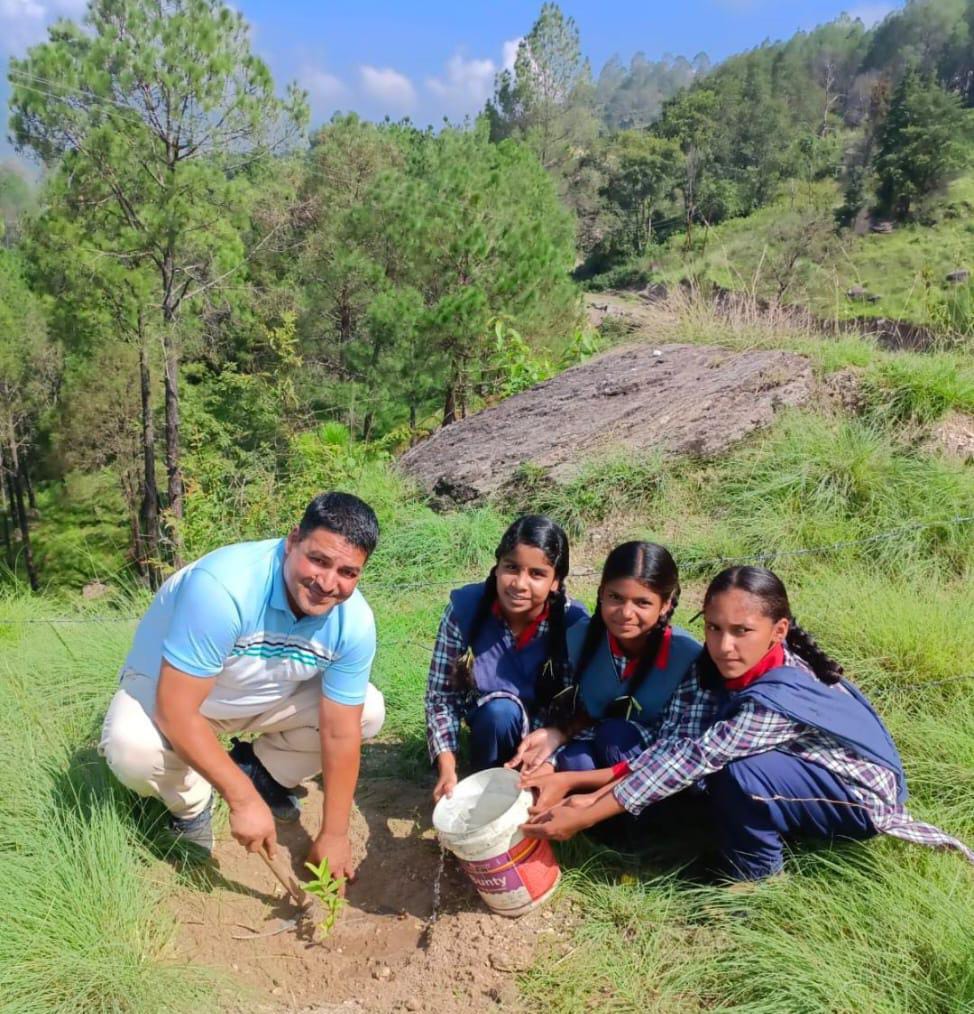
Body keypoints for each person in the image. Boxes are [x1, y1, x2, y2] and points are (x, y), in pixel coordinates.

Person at [520, 565, 974, 881]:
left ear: (778, 632)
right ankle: (710, 837)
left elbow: (698, 758)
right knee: (701, 774)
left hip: (857, 793)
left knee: (741, 774)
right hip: (790, 773)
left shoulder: (776, 695)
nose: (724, 645)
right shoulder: (712, 670)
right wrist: (574, 783)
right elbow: (672, 747)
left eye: (742, 631)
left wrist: (582, 815)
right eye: (714, 628)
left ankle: (757, 877)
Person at [99, 491, 385, 883]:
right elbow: (175, 710)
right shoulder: (223, 588)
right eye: (318, 560)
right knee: (130, 748)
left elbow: (340, 729)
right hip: (175, 693)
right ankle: (192, 803)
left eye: (347, 572)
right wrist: (241, 799)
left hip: (261, 693)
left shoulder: (354, 622)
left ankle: (261, 772)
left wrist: (334, 834)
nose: (327, 583)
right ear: (292, 541)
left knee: (367, 711)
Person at [425, 515, 588, 802]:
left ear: (555, 582)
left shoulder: (574, 625)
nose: (520, 584)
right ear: (497, 566)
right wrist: (448, 764)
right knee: (500, 713)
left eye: (537, 574)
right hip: (492, 725)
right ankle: (486, 789)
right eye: (511, 568)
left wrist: (556, 737)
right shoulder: (466, 611)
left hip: (552, 734)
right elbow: (441, 698)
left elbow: (589, 705)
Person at [506, 541, 701, 779]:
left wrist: (570, 780)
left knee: (614, 737)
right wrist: (557, 738)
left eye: (643, 602)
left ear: (666, 604)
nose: (626, 613)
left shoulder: (687, 660)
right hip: (597, 744)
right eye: (616, 597)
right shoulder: (579, 639)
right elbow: (581, 712)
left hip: (654, 768)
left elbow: (672, 747)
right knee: (576, 759)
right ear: (601, 594)